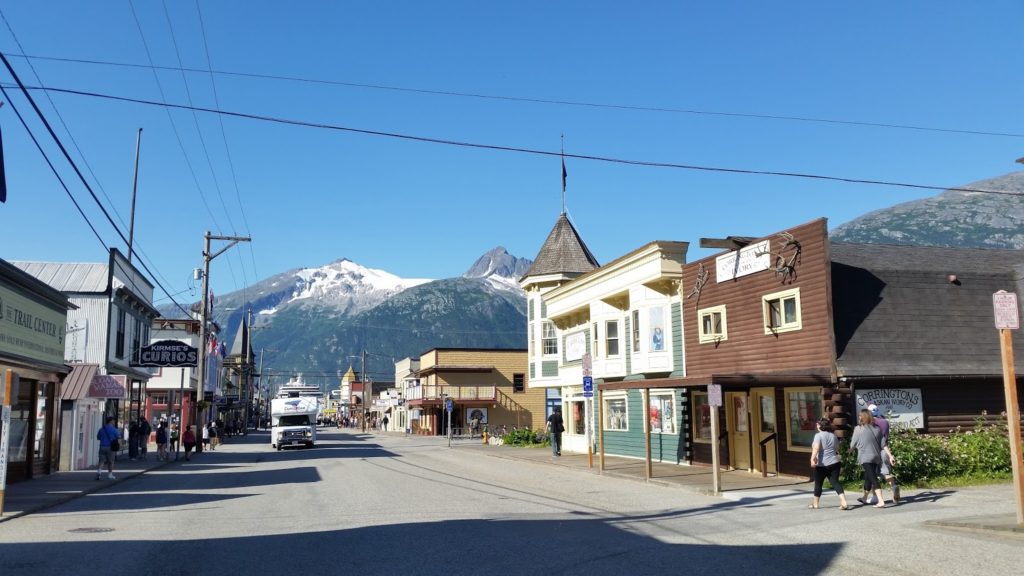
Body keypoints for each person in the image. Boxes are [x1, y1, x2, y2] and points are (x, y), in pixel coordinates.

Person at [851, 408, 888, 508]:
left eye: (860, 416)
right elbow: (883, 444)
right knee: (868, 476)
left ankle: (881, 501)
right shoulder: (877, 429)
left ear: (863, 417)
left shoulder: (858, 429)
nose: (858, 417)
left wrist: (850, 450)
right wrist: (890, 455)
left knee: (872, 478)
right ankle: (864, 497)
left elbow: (853, 444)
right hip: (876, 456)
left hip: (865, 456)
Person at [809, 418, 849, 510]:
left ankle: (815, 504)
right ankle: (843, 501)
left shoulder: (818, 436)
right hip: (834, 462)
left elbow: (816, 448)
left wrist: (812, 459)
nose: (816, 425)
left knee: (818, 484)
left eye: (817, 424)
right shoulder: (833, 436)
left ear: (820, 426)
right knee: (835, 482)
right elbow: (837, 449)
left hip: (822, 464)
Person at [868, 404, 900, 504]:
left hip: (874, 450)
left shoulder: (870, 423)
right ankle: (894, 486)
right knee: (886, 472)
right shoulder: (885, 422)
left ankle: (875, 497)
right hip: (885, 450)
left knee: (873, 474)